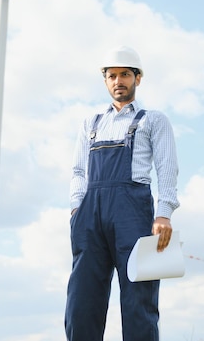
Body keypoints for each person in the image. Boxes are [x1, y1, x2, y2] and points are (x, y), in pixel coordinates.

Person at [65, 45, 180, 341]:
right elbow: (78, 171)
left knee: (138, 301)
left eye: (125, 75)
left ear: (137, 79)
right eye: (112, 75)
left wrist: (164, 213)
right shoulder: (90, 123)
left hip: (134, 214)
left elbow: (167, 168)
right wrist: (76, 210)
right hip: (89, 216)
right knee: (82, 302)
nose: (119, 81)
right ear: (105, 80)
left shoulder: (153, 120)